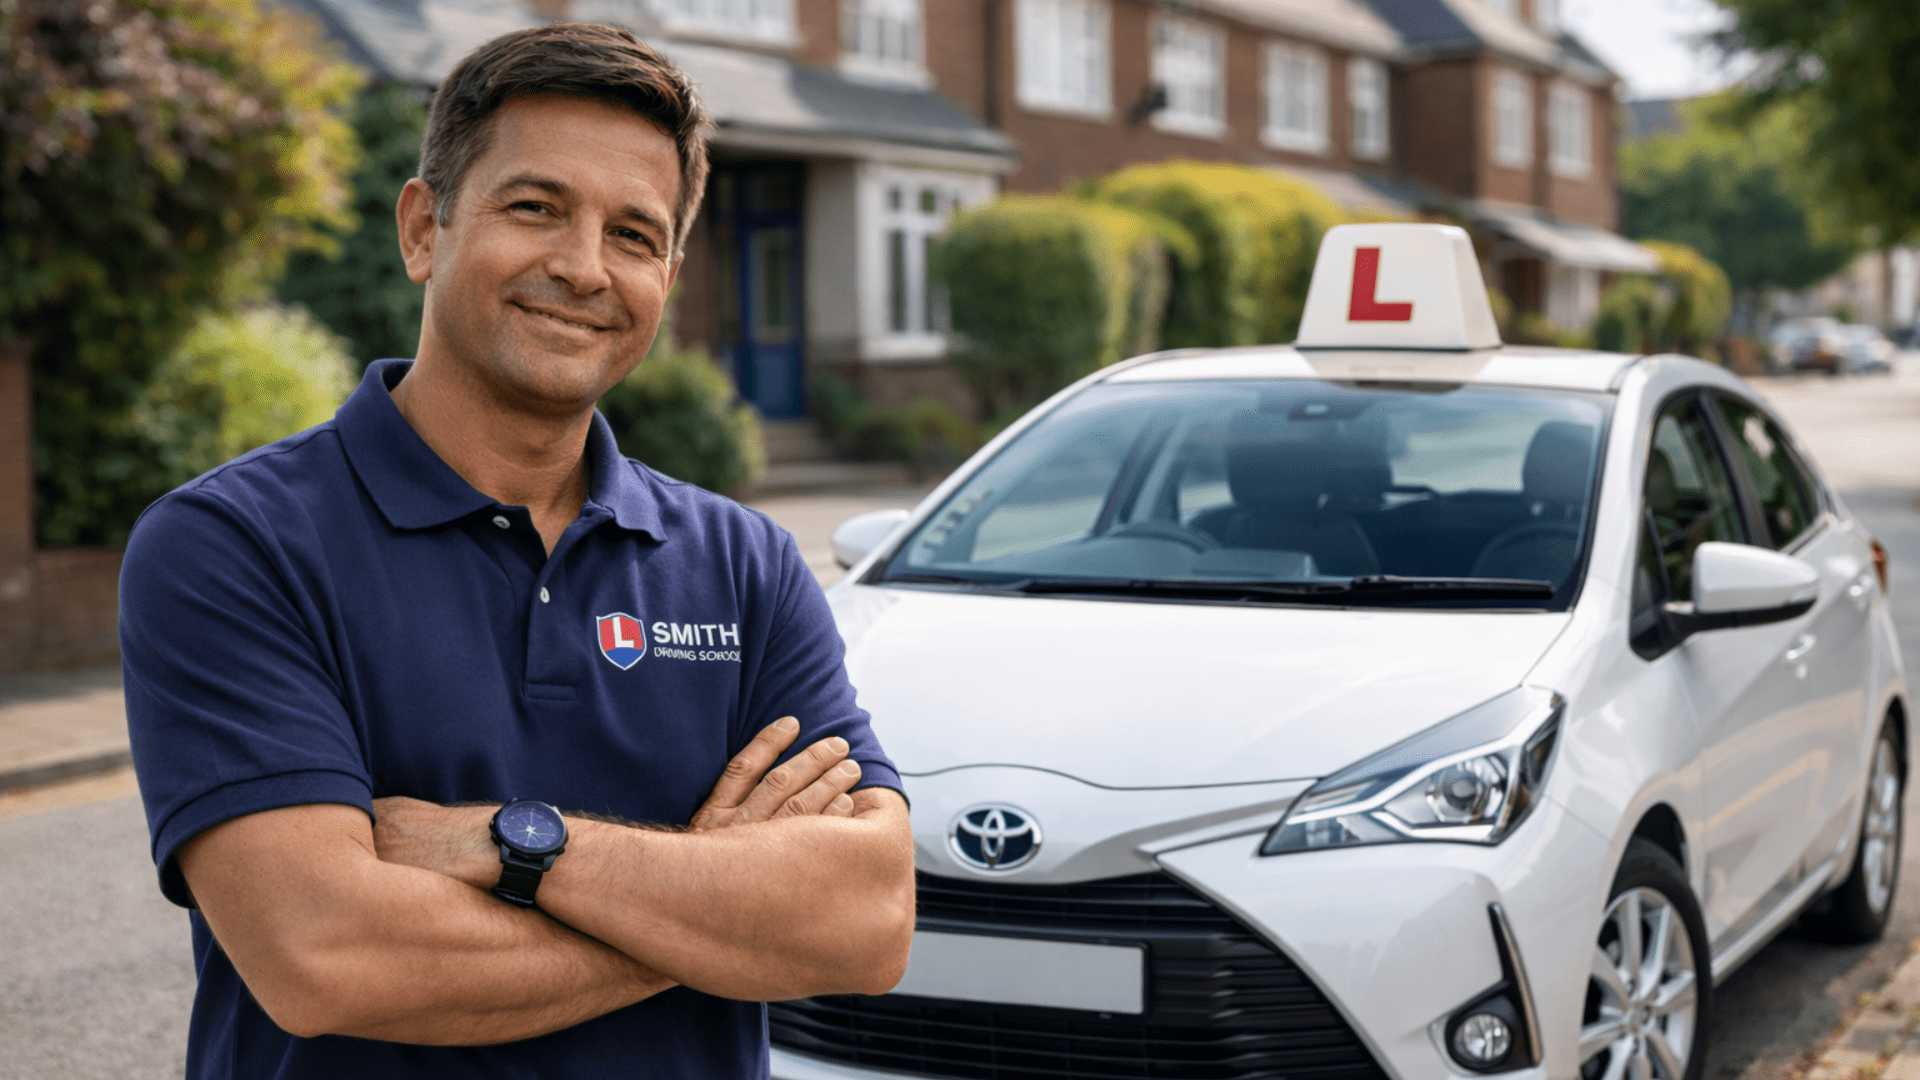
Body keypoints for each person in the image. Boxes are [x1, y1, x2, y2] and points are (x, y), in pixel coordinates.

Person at [119, 22, 914, 1080]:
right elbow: (328, 956)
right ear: (423, 230)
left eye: (634, 235)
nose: (583, 267)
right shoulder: (234, 546)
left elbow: (865, 922)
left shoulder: (747, 564)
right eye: (534, 208)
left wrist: (517, 844)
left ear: (669, 275)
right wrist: (719, 911)